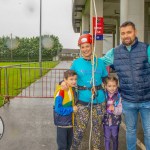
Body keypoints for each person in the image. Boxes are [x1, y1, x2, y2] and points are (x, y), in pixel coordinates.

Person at [101, 21, 150, 150]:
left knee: (149, 132)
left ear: (135, 32)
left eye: (129, 32)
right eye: (123, 33)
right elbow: (99, 63)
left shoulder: (146, 49)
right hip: (128, 101)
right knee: (130, 131)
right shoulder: (114, 52)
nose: (126, 35)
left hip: (147, 100)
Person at [61, 34, 108, 150]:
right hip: (82, 101)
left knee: (97, 129)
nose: (85, 49)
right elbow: (69, 77)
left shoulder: (100, 62)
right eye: (82, 47)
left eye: (87, 46)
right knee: (80, 129)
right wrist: (62, 83)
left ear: (92, 46)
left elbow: (105, 78)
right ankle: (74, 148)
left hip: (99, 100)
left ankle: (96, 148)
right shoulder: (76, 63)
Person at [53, 70, 78, 150]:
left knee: (68, 145)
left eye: (75, 79)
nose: (74, 81)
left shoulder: (71, 89)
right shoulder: (60, 92)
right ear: (65, 80)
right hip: (62, 124)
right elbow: (58, 109)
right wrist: (71, 109)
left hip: (70, 123)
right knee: (62, 146)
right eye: (71, 79)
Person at [102, 76, 122, 150]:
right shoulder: (103, 95)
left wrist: (114, 109)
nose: (112, 88)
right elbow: (99, 107)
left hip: (115, 122)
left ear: (117, 85)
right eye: (109, 86)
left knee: (115, 137)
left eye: (114, 86)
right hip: (105, 121)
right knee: (107, 138)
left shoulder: (119, 96)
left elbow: (120, 110)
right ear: (105, 86)